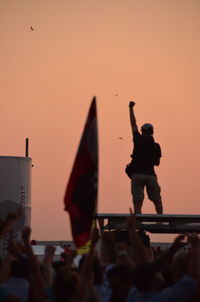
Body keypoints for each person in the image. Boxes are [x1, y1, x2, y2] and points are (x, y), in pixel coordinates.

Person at [128, 101, 163, 214]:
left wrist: (131, 108)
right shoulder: (156, 146)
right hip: (150, 176)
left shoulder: (137, 139)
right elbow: (157, 163)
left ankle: (139, 223)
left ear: (142, 131)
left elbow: (133, 124)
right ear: (152, 132)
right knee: (157, 200)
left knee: (137, 202)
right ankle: (161, 220)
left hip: (137, 175)